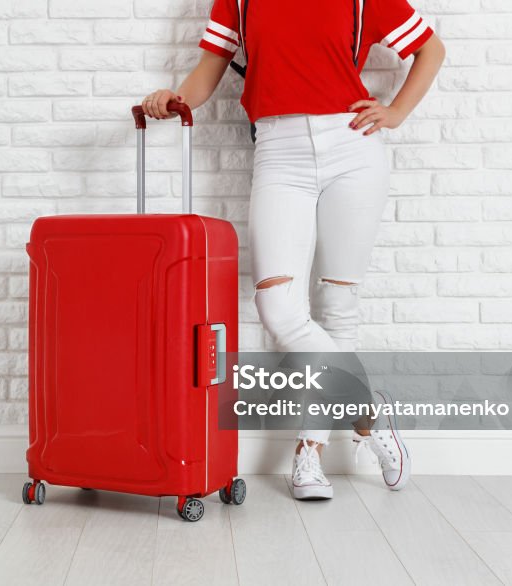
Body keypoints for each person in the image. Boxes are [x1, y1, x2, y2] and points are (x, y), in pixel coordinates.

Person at [141, 0, 445, 500]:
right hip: (280, 152)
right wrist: (172, 99)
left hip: (353, 147)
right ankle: (369, 415)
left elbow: (430, 50)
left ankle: (310, 454)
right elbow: (209, 69)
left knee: (338, 308)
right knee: (278, 307)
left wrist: (395, 113)